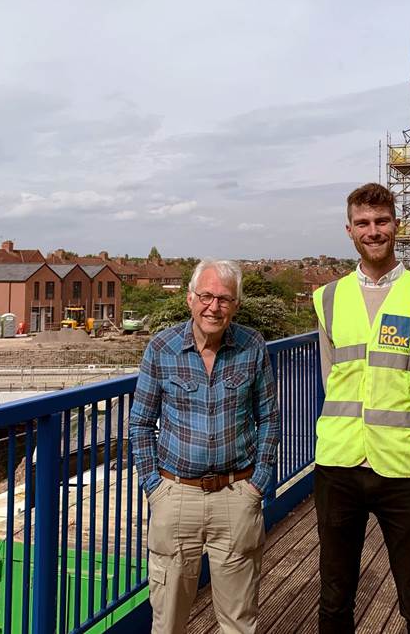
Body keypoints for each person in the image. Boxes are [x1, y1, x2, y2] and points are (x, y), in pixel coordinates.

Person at [313, 182, 410, 634]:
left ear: (397, 225)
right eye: (363, 223)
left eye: (381, 221)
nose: (373, 231)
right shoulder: (328, 298)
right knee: (335, 598)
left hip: (404, 468)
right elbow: (331, 376)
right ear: (349, 230)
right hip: (339, 463)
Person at [128, 259, 280, 634]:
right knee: (168, 623)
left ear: (236, 305)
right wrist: (154, 487)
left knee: (238, 622)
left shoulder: (252, 346)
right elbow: (141, 422)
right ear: (190, 299)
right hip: (176, 494)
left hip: (236, 494)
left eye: (224, 299)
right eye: (206, 296)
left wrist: (257, 483)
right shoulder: (161, 348)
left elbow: (269, 419)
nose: (214, 307)